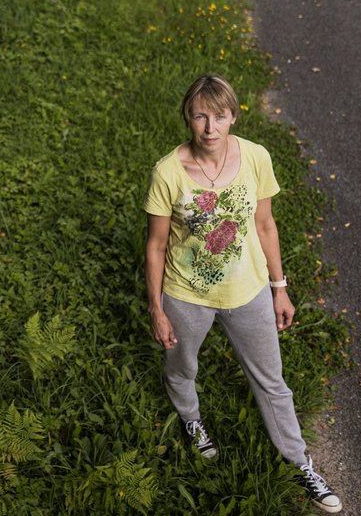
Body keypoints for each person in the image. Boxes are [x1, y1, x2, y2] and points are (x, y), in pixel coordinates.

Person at [143, 74, 342, 514]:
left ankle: (299, 461)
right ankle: (191, 420)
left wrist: (279, 288)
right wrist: (157, 308)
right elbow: (156, 245)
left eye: (219, 116)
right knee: (181, 366)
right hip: (186, 295)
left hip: (248, 291)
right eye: (199, 116)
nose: (210, 128)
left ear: (233, 116)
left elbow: (265, 225)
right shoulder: (168, 172)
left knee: (273, 382)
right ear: (188, 119)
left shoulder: (255, 157)